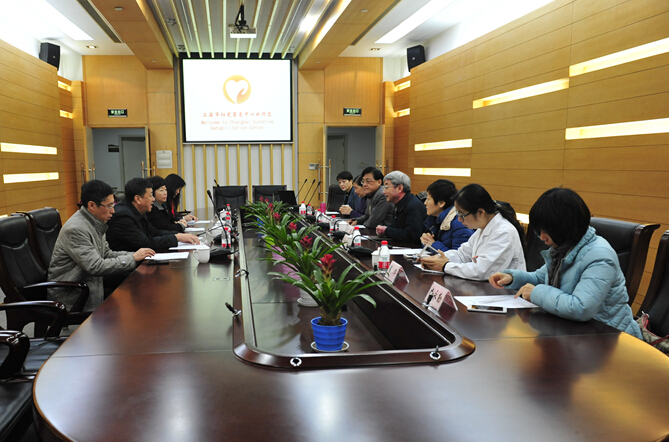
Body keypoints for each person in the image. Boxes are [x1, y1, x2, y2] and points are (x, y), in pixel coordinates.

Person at [489, 188, 642, 339]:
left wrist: (536, 293)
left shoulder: (600, 256)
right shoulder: (565, 247)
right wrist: (512, 277)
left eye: (547, 231)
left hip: (611, 339)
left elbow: (581, 308)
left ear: (567, 226)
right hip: (575, 333)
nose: (542, 237)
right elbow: (540, 278)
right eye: (539, 231)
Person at [48, 180, 155, 312]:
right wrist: (132, 258)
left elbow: (106, 253)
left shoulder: (96, 222)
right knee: (134, 293)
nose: (113, 211)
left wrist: (137, 255)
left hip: (92, 286)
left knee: (139, 282)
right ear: (92, 205)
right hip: (74, 295)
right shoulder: (76, 229)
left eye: (113, 205)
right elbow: (95, 266)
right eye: (109, 206)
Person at [419, 183, 526, 280]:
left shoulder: (503, 232)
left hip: (505, 292)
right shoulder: (482, 228)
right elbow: (462, 254)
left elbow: (481, 271)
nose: (459, 219)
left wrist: (445, 266)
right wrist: (436, 259)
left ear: (481, 212)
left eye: (462, 215)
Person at [107, 177, 200, 252]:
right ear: (138, 199)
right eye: (150, 195)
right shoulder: (122, 217)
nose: (153, 199)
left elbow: (154, 232)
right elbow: (145, 243)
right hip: (129, 266)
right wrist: (177, 237)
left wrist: (180, 235)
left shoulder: (138, 210)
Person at [375, 171, 427, 245]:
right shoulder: (399, 203)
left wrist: (386, 230)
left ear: (399, 188)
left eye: (386, 187)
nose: (384, 192)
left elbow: (412, 235)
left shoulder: (414, 206)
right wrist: (385, 229)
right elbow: (397, 228)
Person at [420, 179, 473, 252]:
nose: (425, 203)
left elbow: (460, 256)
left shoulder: (459, 223)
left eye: (428, 199)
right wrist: (426, 241)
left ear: (441, 203)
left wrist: (432, 244)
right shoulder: (434, 219)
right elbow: (432, 243)